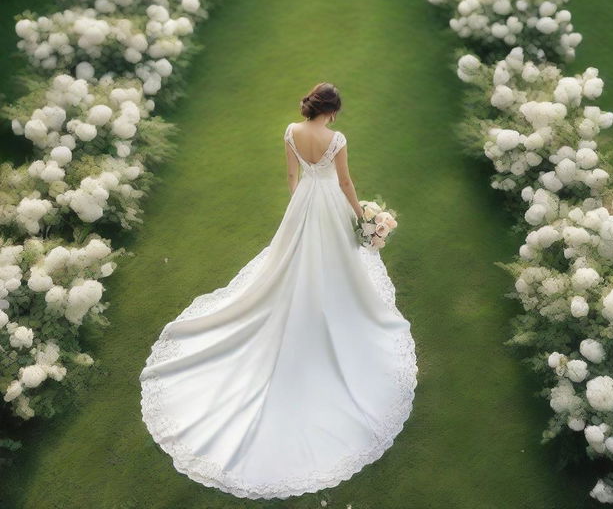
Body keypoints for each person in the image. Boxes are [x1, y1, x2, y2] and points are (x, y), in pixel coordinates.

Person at [139, 82, 418, 500]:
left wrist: (301, 208)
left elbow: (292, 177)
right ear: (333, 111)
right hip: (328, 203)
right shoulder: (336, 139)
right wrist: (362, 218)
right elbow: (344, 183)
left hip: (303, 202)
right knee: (335, 265)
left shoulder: (291, 131)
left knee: (288, 261)